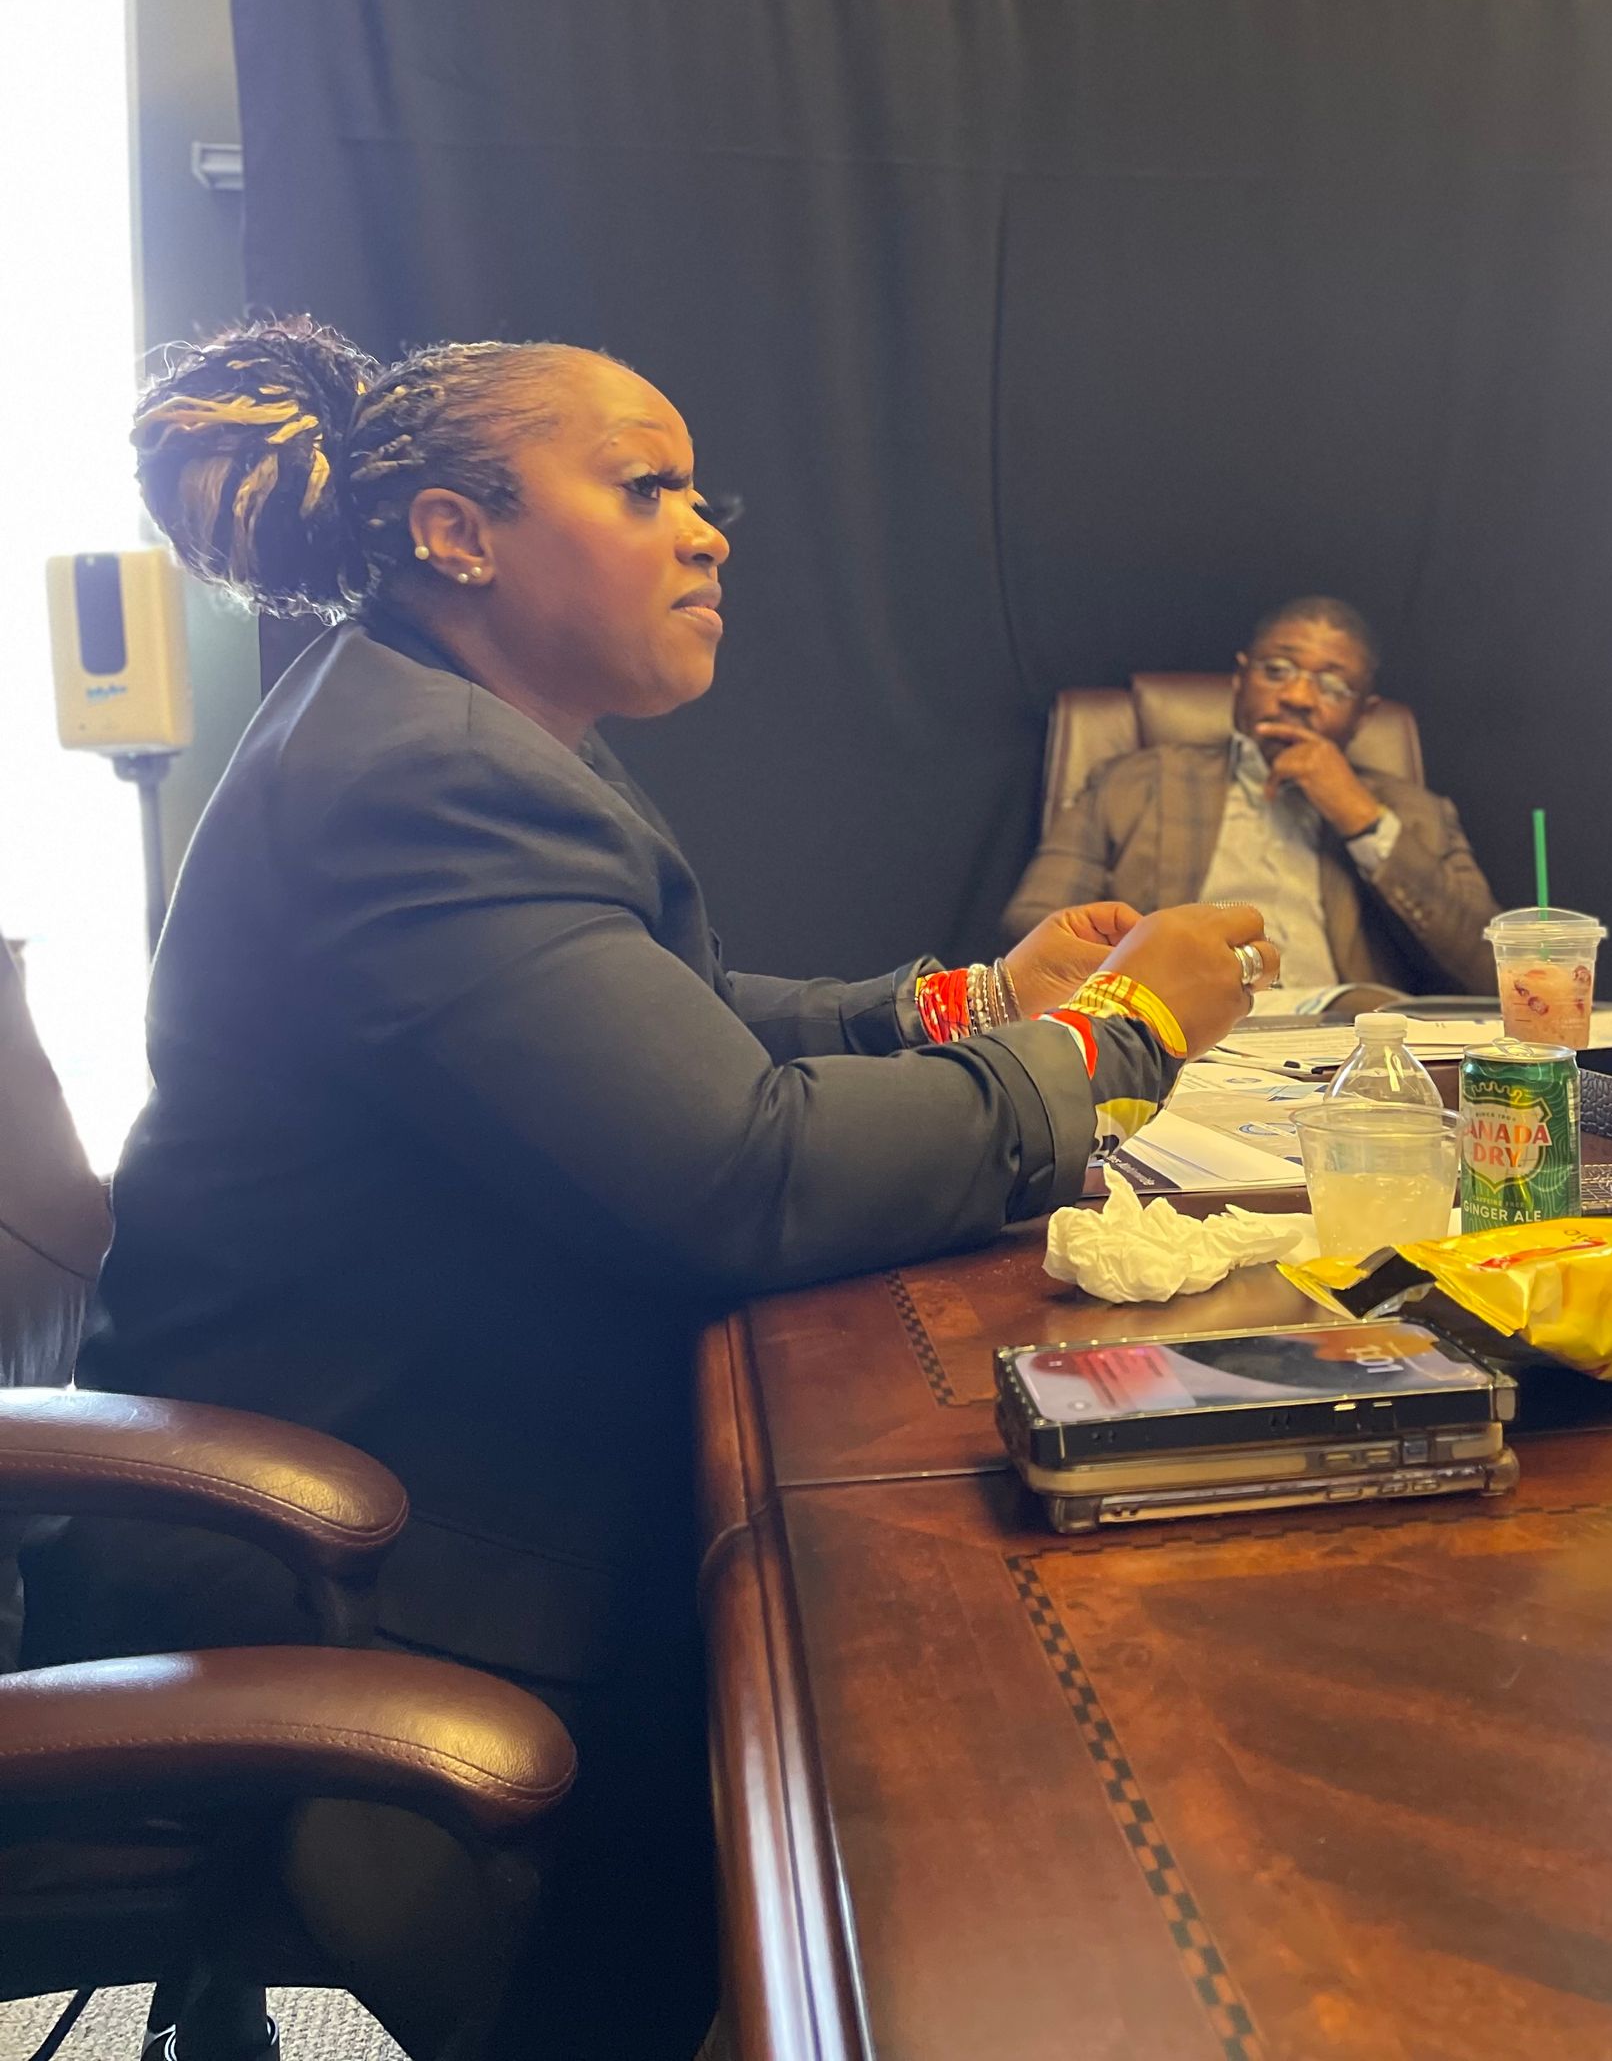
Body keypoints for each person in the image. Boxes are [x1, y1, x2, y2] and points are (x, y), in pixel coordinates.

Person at [34, 317, 1280, 2061]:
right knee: (955, 1720)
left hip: (409, 1465)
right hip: (358, 1557)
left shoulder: (448, 728)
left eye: (704, 492)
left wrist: (980, 1005)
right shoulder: (427, 778)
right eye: (645, 487)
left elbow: (667, 1018)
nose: (708, 530)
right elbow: (744, 1175)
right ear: (458, 534)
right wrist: (1126, 1040)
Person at [1004, 597, 1499, 999]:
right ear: (1240, 679)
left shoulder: (1419, 813)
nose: (1299, 698)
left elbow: (1493, 970)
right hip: (1175, 1031)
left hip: (1349, 1046)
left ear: (1364, 715)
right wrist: (1137, 974)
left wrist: (1363, 821)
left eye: (1332, 686)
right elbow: (1030, 930)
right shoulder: (1132, 782)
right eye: (1278, 670)